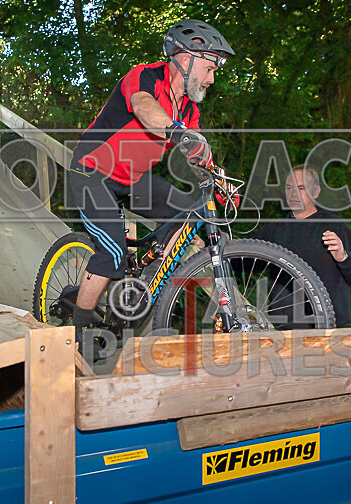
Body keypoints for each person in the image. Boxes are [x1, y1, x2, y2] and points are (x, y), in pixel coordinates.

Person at [68, 20, 235, 341]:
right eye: (210, 68)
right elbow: (145, 108)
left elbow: (199, 151)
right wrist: (176, 131)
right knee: (113, 253)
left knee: (191, 212)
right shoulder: (145, 76)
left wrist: (218, 181)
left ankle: (143, 280)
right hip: (92, 172)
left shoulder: (188, 108)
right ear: (186, 59)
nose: (212, 78)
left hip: (133, 178)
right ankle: (75, 334)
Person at [254, 167, 351, 328]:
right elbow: (244, 259)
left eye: (301, 188)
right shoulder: (274, 230)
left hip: (328, 328)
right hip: (285, 333)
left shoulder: (333, 226)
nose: (294, 194)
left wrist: (344, 257)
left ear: (315, 192)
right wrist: (220, 244)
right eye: (289, 188)